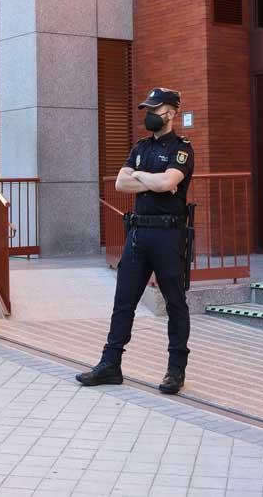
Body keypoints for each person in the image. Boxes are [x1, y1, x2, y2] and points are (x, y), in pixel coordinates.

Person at [77, 87, 194, 395]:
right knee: (123, 301)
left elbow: (169, 182)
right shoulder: (140, 147)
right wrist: (150, 180)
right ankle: (110, 365)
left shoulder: (181, 149)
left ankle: (175, 370)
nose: (149, 115)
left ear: (170, 113)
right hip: (138, 233)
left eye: (154, 110)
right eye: (147, 109)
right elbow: (119, 183)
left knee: (175, 302)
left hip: (168, 234)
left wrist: (140, 177)